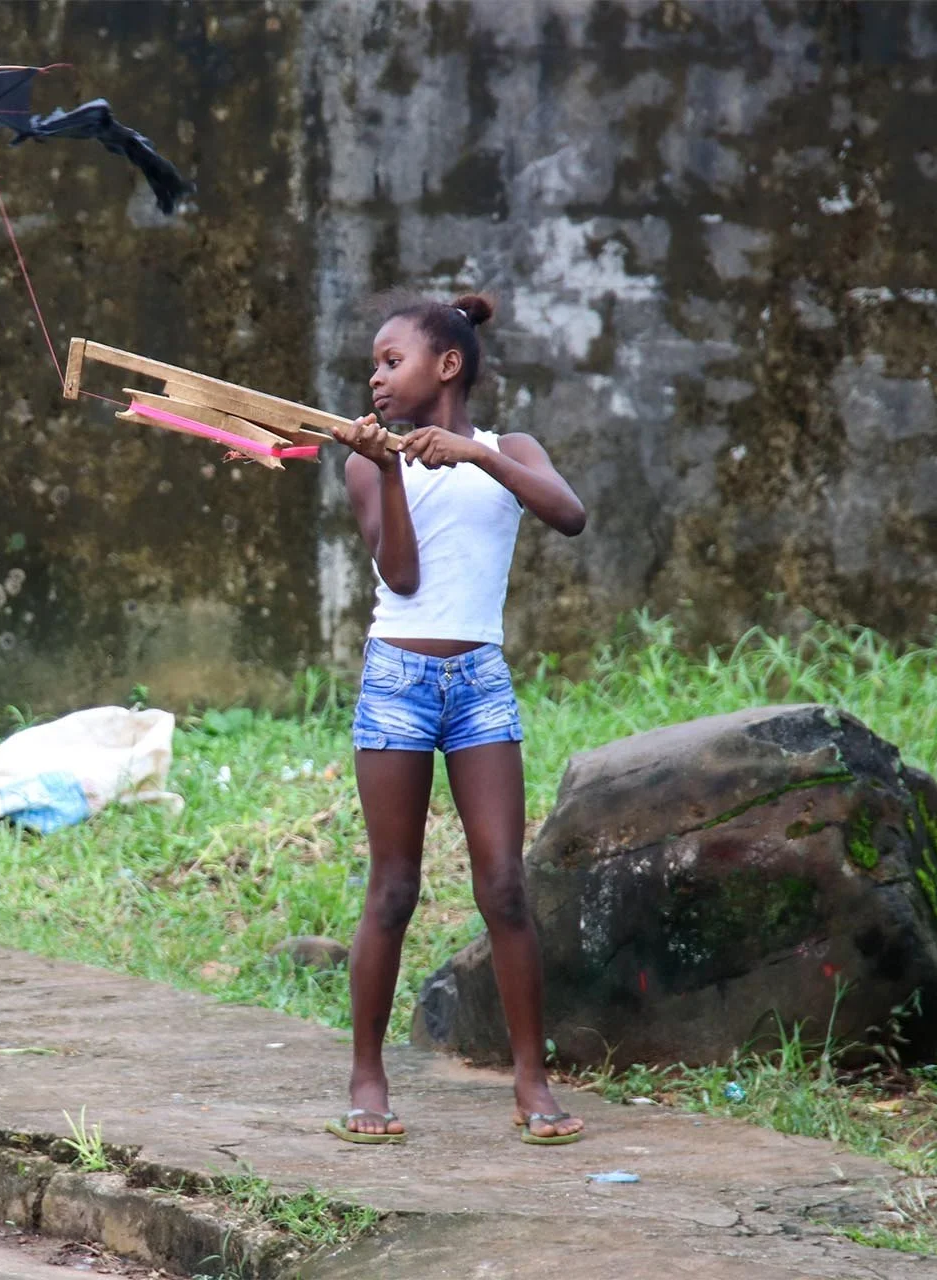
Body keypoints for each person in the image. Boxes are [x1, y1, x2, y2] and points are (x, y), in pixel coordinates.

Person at [324, 293, 589, 1146]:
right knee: (393, 888)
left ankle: (531, 1080)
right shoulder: (369, 463)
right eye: (372, 364)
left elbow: (568, 513)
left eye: (390, 359)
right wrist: (397, 470)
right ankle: (368, 1074)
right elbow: (399, 578)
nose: (375, 375)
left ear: (448, 365)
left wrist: (473, 459)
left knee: (505, 886)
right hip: (398, 676)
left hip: (481, 682)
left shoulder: (511, 450)